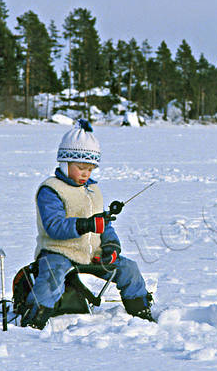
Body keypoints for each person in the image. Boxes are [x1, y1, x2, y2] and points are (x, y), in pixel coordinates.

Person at [23, 119, 154, 326]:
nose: (86, 174)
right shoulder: (51, 189)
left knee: (129, 268)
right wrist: (86, 225)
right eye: (81, 168)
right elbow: (54, 226)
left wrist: (111, 247)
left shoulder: (93, 190)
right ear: (65, 164)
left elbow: (104, 225)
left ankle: (141, 311)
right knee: (52, 276)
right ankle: (34, 317)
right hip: (58, 251)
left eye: (90, 169)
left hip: (91, 254)